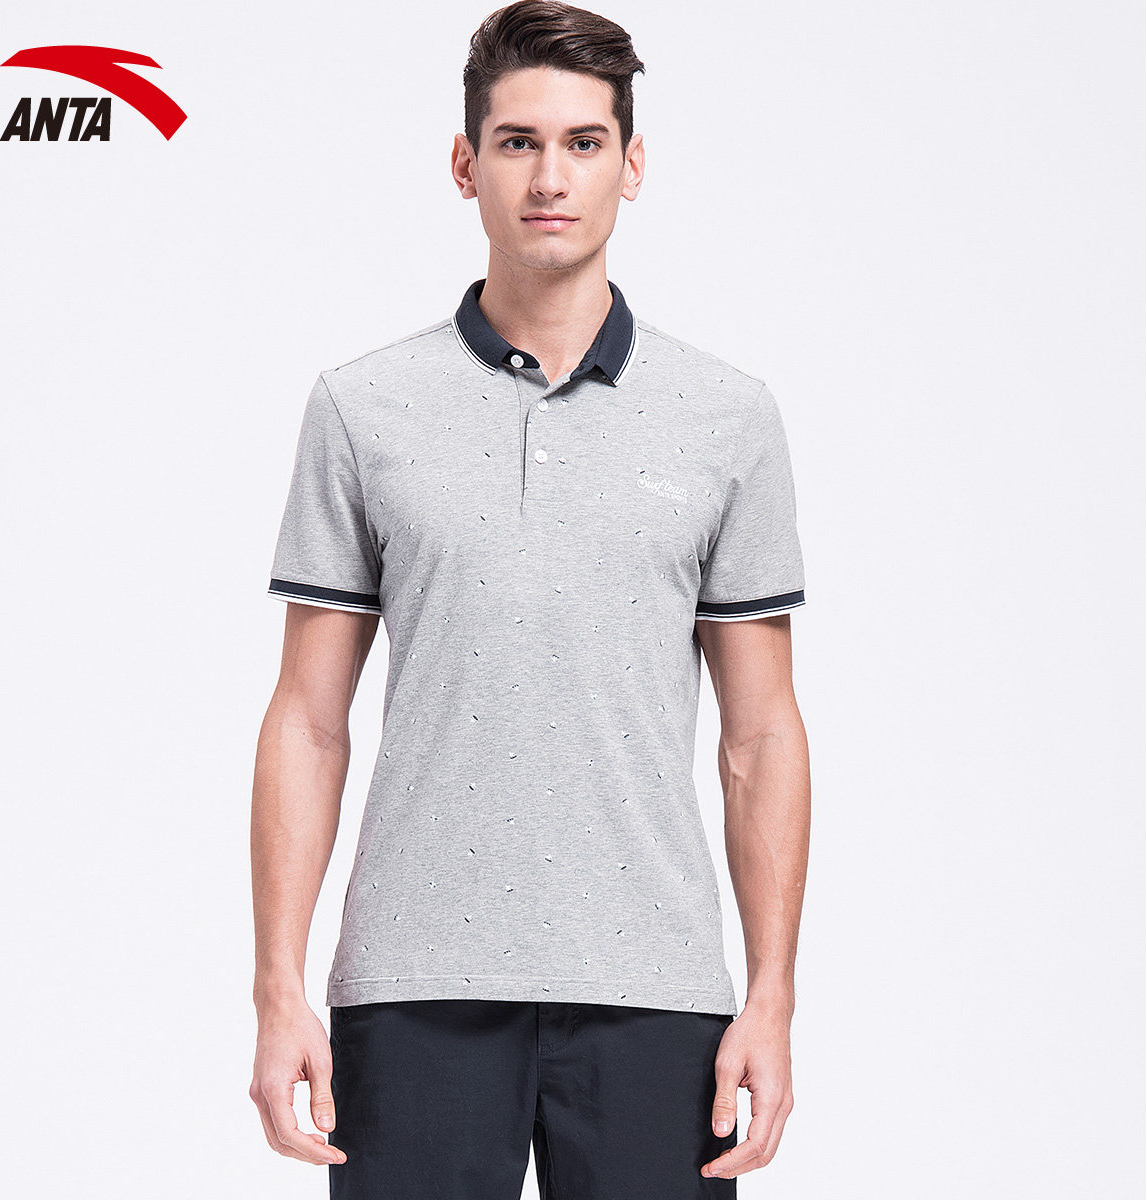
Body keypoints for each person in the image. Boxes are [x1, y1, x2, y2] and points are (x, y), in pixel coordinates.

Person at [249, 2, 811, 1196]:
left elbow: (761, 735)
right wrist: (277, 987)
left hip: (657, 992)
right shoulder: (362, 408)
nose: (550, 177)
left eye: (583, 143)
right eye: (517, 143)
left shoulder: (728, 417)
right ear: (466, 165)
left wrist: (772, 996)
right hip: (411, 988)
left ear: (632, 164)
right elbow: (306, 718)